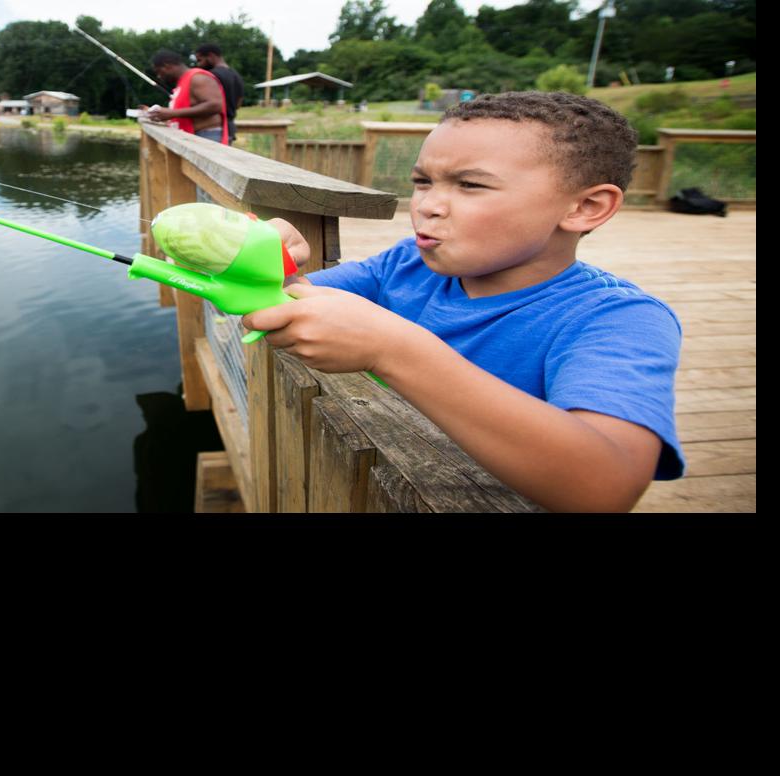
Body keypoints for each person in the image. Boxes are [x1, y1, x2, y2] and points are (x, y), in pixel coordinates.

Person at [244, 92, 685, 512]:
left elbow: (606, 486)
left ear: (586, 207)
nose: (428, 206)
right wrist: (265, 263)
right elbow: (281, 307)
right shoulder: (406, 264)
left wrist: (393, 350)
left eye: (470, 185)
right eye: (422, 182)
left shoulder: (619, 319)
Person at [143, 49, 227, 145]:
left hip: (206, 136)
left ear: (167, 66)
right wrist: (163, 114)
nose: (159, 76)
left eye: (158, 71)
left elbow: (215, 105)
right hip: (192, 136)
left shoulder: (197, 77)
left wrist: (172, 113)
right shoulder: (182, 83)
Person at [193, 43, 244, 144]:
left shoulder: (210, 76)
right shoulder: (236, 75)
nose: (199, 64)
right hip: (230, 129)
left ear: (211, 56)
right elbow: (238, 103)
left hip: (213, 131)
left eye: (200, 60)